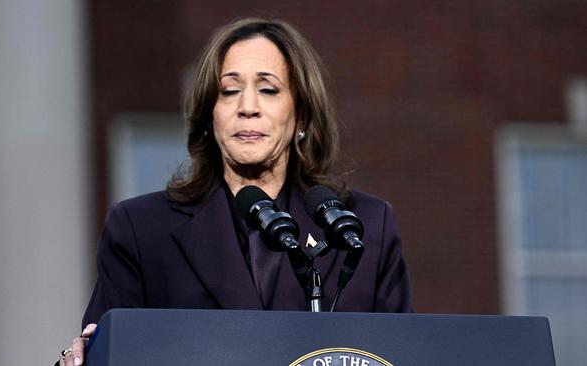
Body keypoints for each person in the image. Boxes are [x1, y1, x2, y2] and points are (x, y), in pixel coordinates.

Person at [57, 17, 412, 366]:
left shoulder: (361, 227)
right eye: (229, 91)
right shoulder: (141, 230)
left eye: (268, 89)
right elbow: (106, 351)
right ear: (209, 115)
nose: (247, 108)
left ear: (302, 114)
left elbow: (407, 353)